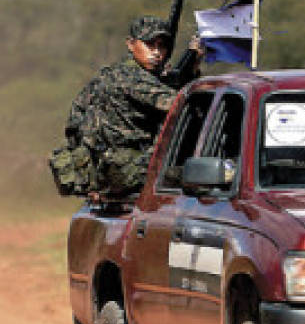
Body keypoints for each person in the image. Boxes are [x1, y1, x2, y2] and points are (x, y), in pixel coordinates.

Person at [57, 15, 204, 199]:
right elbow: (180, 106)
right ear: (130, 44)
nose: (157, 53)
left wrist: (192, 66)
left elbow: (74, 121)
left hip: (105, 176)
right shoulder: (131, 78)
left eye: (162, 46)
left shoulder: (109, 75)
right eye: (150, 44)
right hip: (128, 174)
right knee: (204, 177)